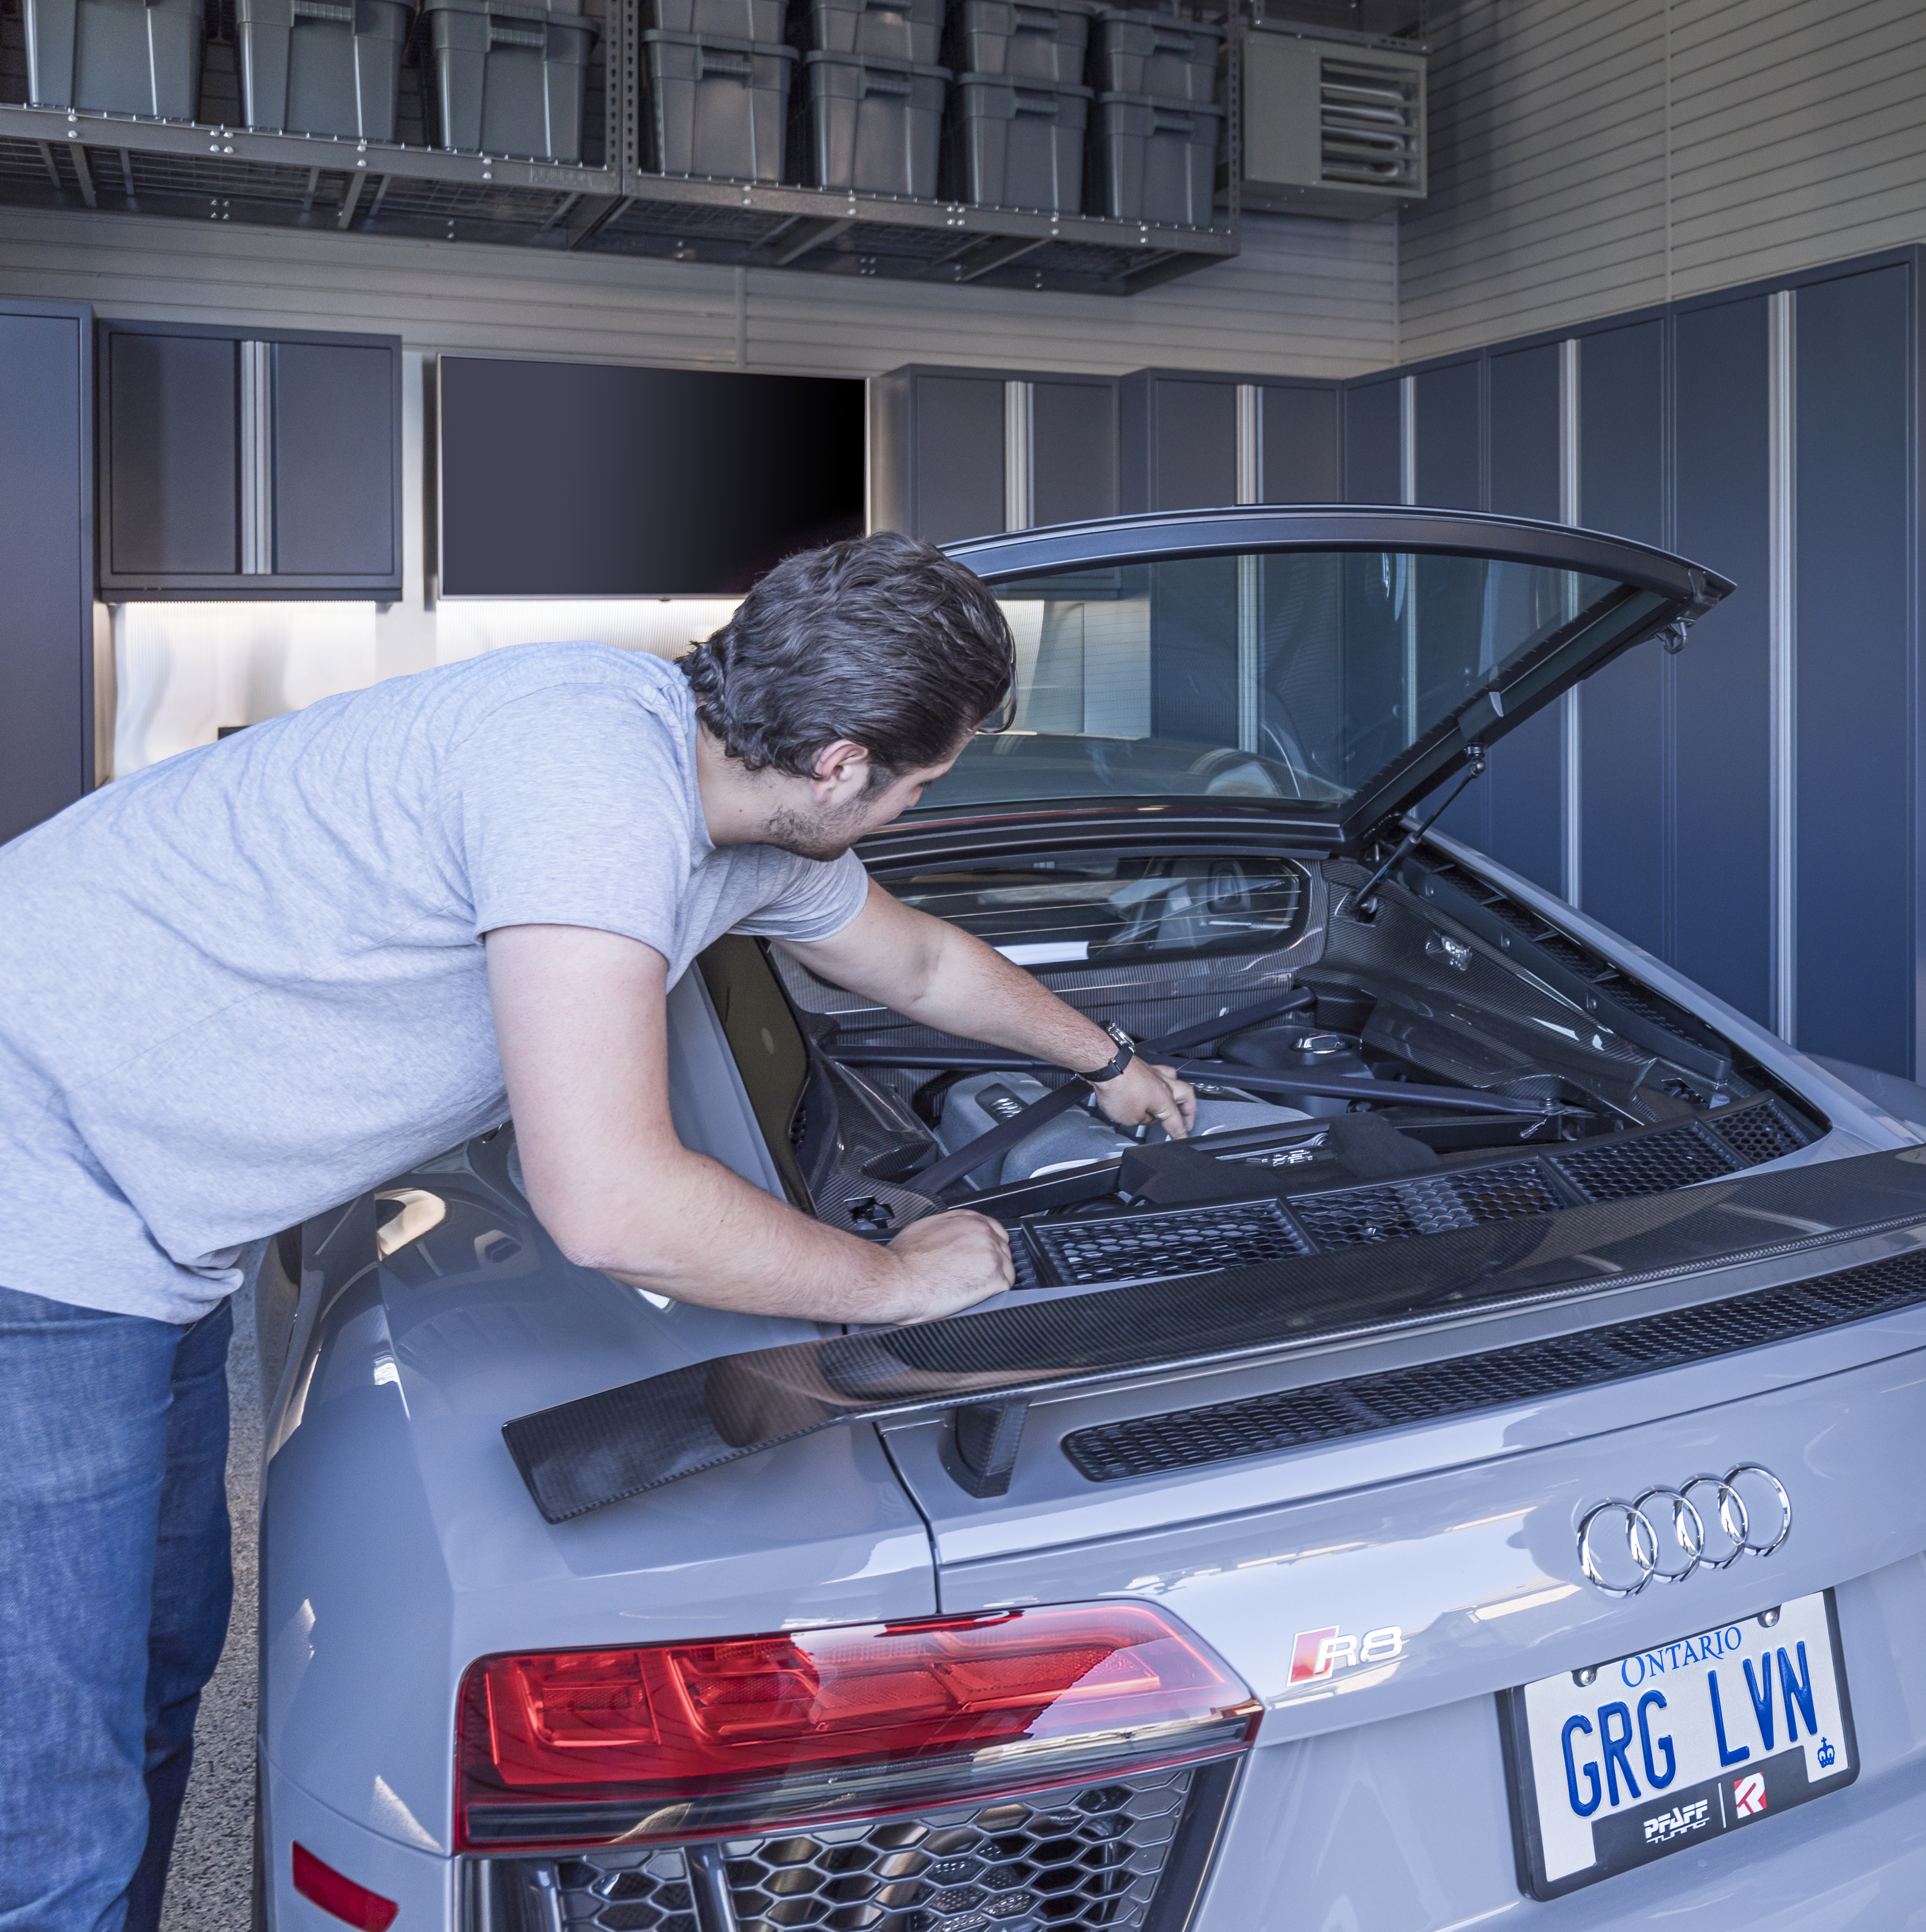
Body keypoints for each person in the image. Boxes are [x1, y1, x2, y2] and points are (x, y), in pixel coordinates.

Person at [0, 532, 1197, 1932]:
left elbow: (919, 958)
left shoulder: (730, 818)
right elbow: (611, 1199)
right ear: (838, 764)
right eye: (918, 784)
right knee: (52, 1800)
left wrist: (1106, 1060)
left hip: (153, 1226)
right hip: (35, 1202)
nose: (916, 812)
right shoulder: (585, 774)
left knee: (151, 1664)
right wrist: (889, 1280)